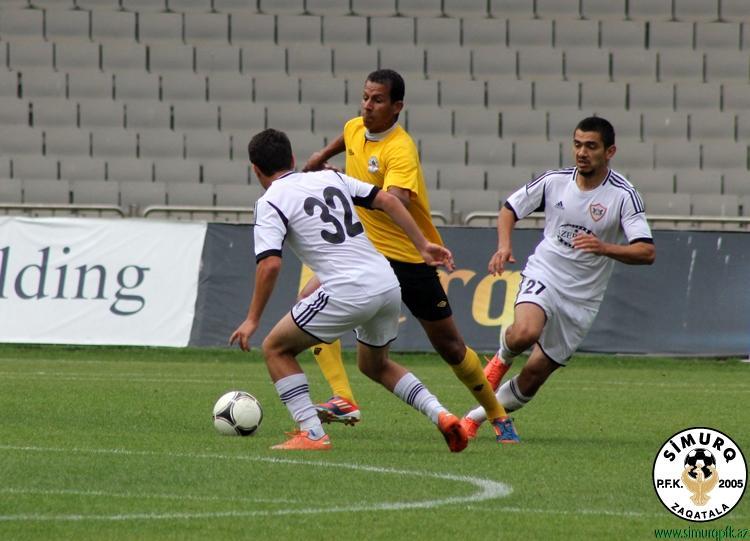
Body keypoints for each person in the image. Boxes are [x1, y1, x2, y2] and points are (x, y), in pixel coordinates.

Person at [303, 68, 519, 444]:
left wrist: (340, 186)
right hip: (366, 256)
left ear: (397, 106)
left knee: (450, 347)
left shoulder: (400, 148)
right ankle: (343, 398)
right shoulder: (355, 127)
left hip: (408, 259)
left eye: (378, 100)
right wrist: (320, 156)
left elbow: (395, 200)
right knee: (309, 302)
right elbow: (347, 138)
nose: (368, 106)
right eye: (365, 98)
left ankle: (497, 414)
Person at [229, 128, 469, 453]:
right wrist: (423, 244)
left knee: (275, 348)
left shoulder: (270, 201)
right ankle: (441, 415)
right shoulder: (330, 178)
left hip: (347, 289)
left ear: (255, 169)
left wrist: (252, 319)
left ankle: (312, 434)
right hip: (386, 282)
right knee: (375, 365)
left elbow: (269, 264)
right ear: (293, 159)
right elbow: (387, 200)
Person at [459, 116, 656, 438]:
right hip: (546, 272)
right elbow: (509, 209)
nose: (582, 152)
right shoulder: (554, 181)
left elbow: (646, 251)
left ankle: (475, 418)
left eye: (591, 146)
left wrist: (604, 247)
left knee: (534, 375)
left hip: (582, 298)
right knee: (524, 333)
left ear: (610, 152)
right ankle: (501, 360)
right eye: (577, 144)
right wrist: (504, 246)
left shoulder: (623, 195)